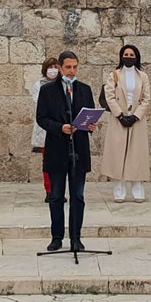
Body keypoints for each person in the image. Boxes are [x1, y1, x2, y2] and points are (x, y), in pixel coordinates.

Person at [36, 51, 99, 252]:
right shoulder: (47, 91)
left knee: (78, 196)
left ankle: (76, 237)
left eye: (75, 67)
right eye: (68, 67)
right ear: (60, 68)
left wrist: (91, 125)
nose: (72, 71)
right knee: (55, 195)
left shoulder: (85, 90)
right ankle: (56, 237)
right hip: (56, 148)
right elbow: (42, 118)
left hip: (78, 149)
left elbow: (89, 115)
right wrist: (59, 128)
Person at [102, 44, 151, 203]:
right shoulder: (114, 75)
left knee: (136, 154)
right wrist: (120, 116)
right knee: (118, 153)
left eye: (131, 55)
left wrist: (136, 116)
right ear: (121, 56)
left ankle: (137, 187)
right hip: (119, 119)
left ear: (136, 57)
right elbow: (109, 97)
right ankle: (119, 188)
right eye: (126, 54)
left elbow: (146, 98)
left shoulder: (143, 76)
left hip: (137, 119)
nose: (128, 57)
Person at [31, 56, 60, 202]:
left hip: (61, 128)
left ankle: (58, 189)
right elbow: (40, 104)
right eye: (50, 67)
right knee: (47, 161)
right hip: (45, 127)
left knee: (60, 162)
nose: (53, 70)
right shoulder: (38, 85)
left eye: (56, 67)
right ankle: (49, 190)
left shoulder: (63, 84)